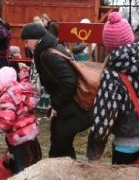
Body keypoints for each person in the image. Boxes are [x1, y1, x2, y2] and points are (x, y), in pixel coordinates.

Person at [87, 12, 139, 165]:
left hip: (124, 147)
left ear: (109, 45)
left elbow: (103, 117)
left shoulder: (112, 74)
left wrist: (94, 153)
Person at [22, 21, 92, 159]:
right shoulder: (50, 48)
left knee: (59, 148)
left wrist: (56, 104)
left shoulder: (48, 55)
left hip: (71, 107)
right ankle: (67, 175)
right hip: (68, 106)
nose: (25, 45)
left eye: (26, 41)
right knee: (62, 145)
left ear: (36, 39)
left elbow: (69, 81)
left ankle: (62, 177)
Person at [0, 66, 40, 174]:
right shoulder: (22, 90)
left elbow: (6, 122)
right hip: (30, 133)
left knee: (20, 164)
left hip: (18, 137)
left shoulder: (7, 96)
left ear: (3, 83)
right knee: (29, 158)